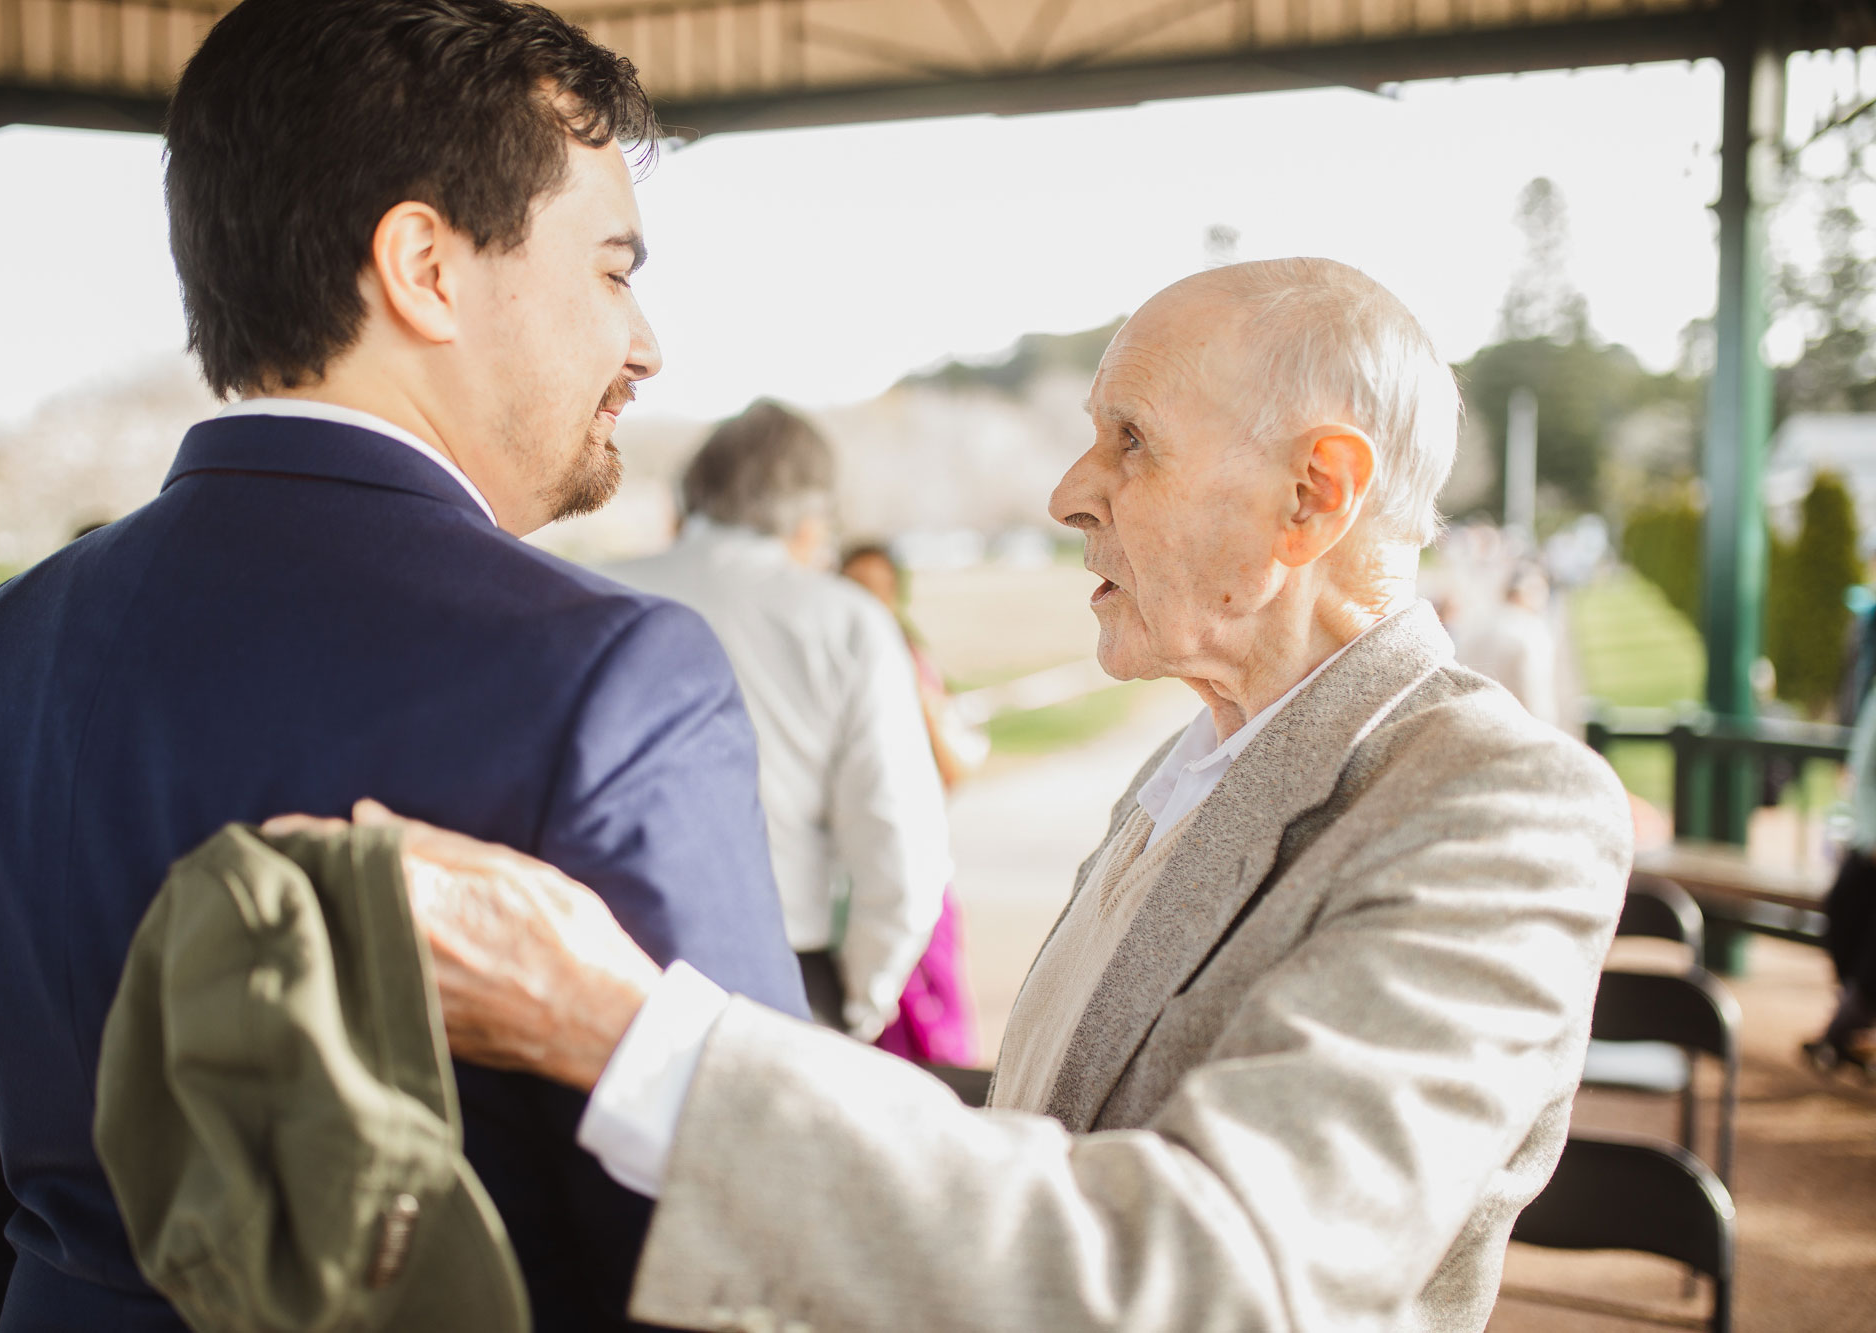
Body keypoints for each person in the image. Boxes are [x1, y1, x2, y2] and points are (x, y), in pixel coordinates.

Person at [274, 258, 1635, 1332]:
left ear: (1312, 494)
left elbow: (1224, 1276)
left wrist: (623, 1027)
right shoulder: (1198, 755)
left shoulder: (1502, 808)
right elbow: (1038, 1149)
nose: (1067, 491)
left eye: (1130, 439)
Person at [0, 3, 804, 1328]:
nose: (644, 341)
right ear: (423, 265)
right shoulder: (610, 679)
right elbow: (748, 1243)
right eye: (611, 269)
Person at [605, 405, 950, 1038]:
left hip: (606, 962)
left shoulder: (591, 591)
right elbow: (899, 843)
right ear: (812, 514)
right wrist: (861, 1005)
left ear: (693, 493)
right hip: (779, 974)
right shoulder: (848, 622)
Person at [840, 540, 982, 1066]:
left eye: (877, 590)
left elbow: (953, 766)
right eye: (854, 588)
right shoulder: (834, 654)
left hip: (909, 854)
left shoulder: (909, 660)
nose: (866, 601)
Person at [1807, 677, 1876, 1074]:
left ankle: (1848, 1022)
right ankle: (1856, 1017)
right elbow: (1864, 769)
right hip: (1871, 840)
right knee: (1843, 903)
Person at [1455, 561, 1558, 726]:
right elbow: (1535, 695)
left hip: (1472, 723)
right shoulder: (1532, 633)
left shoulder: (1478, 625)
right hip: (1516, 729)